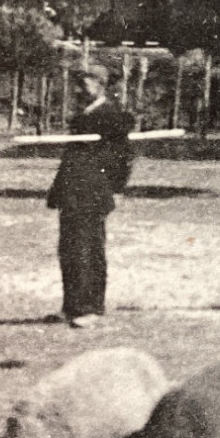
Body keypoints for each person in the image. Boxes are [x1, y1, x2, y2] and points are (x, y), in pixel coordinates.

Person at [45, 65, 134, 328]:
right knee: (69, 249)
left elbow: (124, 157)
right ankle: (71, 306)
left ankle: (91, 307)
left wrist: (117, 188)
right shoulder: (83, 116)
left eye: (84, 86)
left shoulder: (113, 116)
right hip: (72, 192)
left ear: (100, 85)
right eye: (78, 86)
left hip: (94, 192)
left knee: (89, 248)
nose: (79, 91)